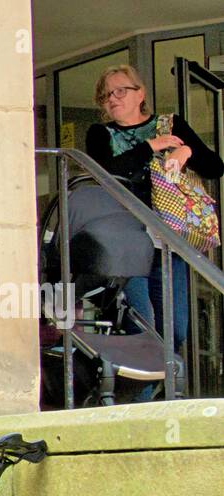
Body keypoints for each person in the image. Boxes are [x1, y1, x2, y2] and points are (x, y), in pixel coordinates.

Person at [85, 64, 223, 355]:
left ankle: (163, 389)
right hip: (124, 240)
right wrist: (151, 146)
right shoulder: (100, 134)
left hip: (167, 239)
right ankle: (144, 395)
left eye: (120, 90)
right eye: (106, 95)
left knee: (176, 328)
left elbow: (214, 167)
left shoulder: (170, 125)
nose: (113, 98)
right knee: (140, 324)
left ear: (140, 93)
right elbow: (106, 175)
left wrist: (187, 151)